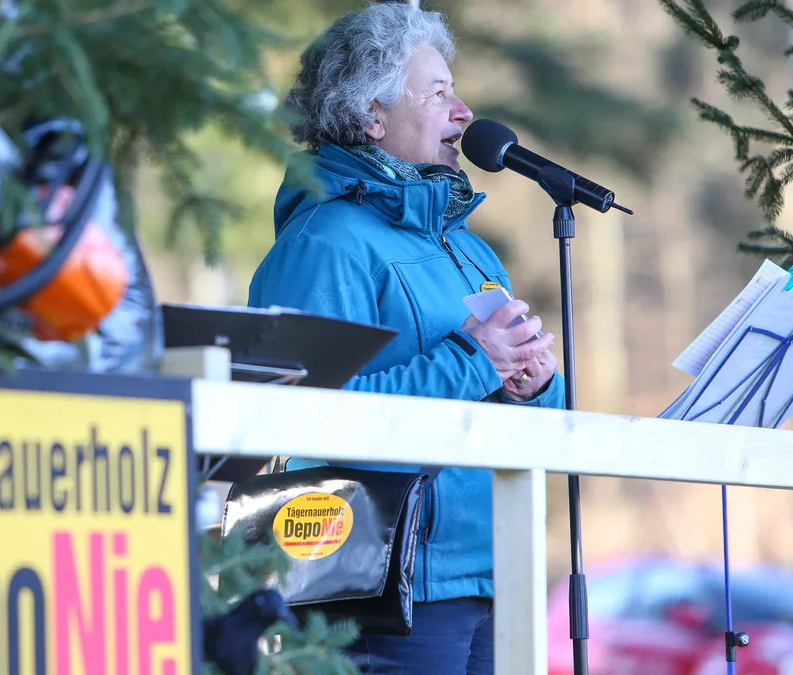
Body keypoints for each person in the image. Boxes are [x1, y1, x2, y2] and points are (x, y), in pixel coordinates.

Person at [246, 2, 565, 673]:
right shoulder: (325, 243)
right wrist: (472, 360)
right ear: (372, 116)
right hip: (391, 595)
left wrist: (535, 386)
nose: (464, 112)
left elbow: (527, 417)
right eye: (440, 92)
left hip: (497, 575)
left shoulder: (473, 253)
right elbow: (304, 419)